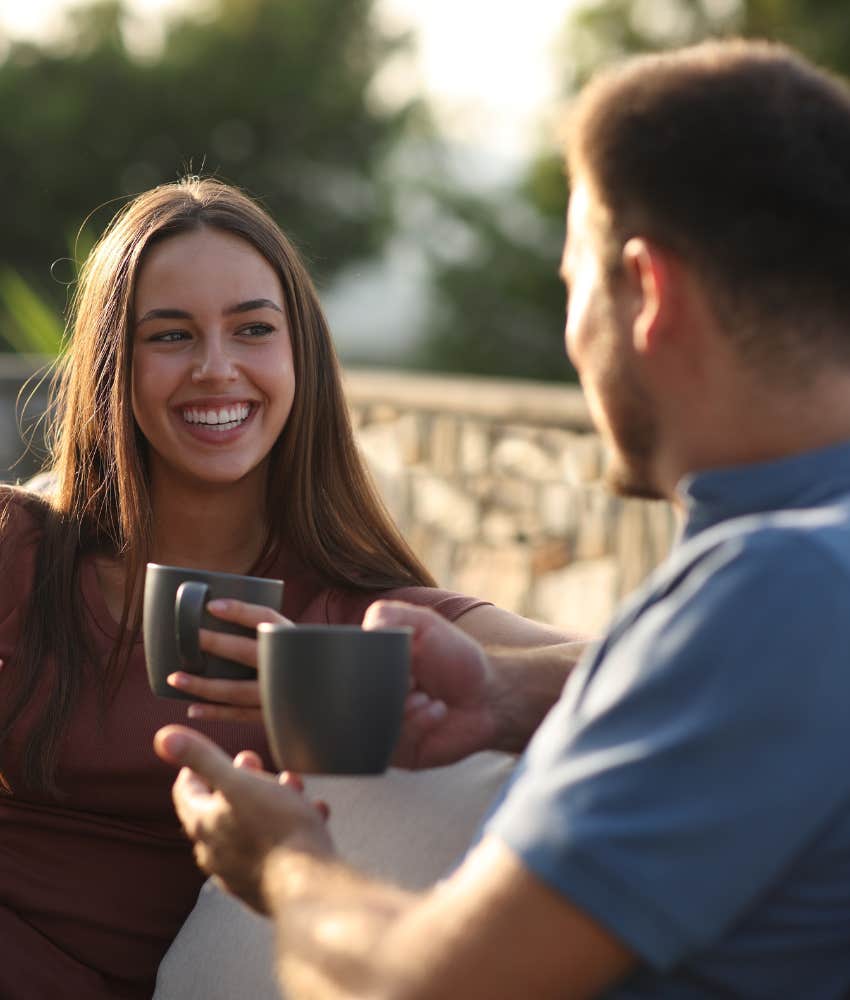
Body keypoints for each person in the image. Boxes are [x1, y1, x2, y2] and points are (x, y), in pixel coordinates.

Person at [157, 38, 850, 998]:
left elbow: (435, 984)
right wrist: (507, 697)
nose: (573, 336)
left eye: (574, 283)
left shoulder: (782, 587)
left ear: (647, 293)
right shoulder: (796, 576)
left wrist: (282, 863)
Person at [0, 177, 578, 999]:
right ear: (111, 368)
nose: (215, 368)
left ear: (299, 353)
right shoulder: (21, 547)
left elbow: (633, 665)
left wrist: (494, 684)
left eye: (252, 329)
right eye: (170, 335)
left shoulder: (357, 612)